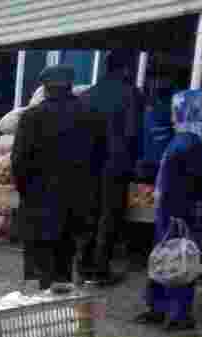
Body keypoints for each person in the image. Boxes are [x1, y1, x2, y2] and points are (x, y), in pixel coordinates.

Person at [11, 66, 108, 291]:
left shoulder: (31, 117)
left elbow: (19, 163)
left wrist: (27, 193)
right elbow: (101, 158)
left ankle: (44, 301)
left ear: (45, 88)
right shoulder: (91, 115)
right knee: (66, 257)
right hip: (77, 202)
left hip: (40, 203)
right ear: (70, 86)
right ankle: (62, 298)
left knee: (42, 262)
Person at [135, 89, 202, 331]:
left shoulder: (187, 142)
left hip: (178, 212)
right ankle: (166, 310)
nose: (172, 115)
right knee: (178, 258)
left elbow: (181, 183)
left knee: (177, 259)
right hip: (190, 211)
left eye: (175, 110)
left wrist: (173, 212)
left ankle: (173, 312)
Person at [79, 50, 145, 286]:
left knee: (90, 214)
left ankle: (83, 266)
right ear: (126, 69)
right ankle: (100, 270)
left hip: (88, 164)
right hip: (116, 165)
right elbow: (132, 133)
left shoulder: (86, 95)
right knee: (109, 216)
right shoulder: (131, 94)